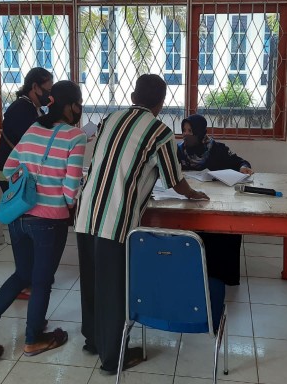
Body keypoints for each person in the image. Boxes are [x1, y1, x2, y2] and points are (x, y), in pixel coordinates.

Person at [75, 74, 209, 375]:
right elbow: (174, 180)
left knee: (92, 281)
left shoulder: (109, 119)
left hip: (86, 213)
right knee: (113, 288)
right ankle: (112, 358)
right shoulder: (160, 131)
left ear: (134, 95)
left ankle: (93, 341)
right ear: (161, 103)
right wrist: (193, 194)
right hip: (117, 220)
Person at [0, 80, 87, 361]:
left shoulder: (33, 128)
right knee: (42, 281)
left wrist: (30, 185)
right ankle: (33, 339)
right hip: (48, 221)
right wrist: (65, 200)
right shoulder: (76, 137)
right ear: (71, 105)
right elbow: (70, 191)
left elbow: (8, 168)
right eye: (77, 104)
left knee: (23, 275)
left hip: (18, 216)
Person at [177, 113, 251, 287]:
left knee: (224, 229)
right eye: (184, 130)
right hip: (191, 199)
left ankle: (220, 277)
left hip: (216, 201)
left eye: (191, 131)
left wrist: (244, 167)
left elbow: (241, 161)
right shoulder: (179, 150)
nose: (187, 134)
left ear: (201, 132)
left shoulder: (218, 149)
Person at [0, 67, 54, 190]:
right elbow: (34, 142)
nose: (50, 96)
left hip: (24, 174)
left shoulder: (37, 110)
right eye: (48, 90)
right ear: (35, 87)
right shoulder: (20, 109)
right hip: (13, 176)